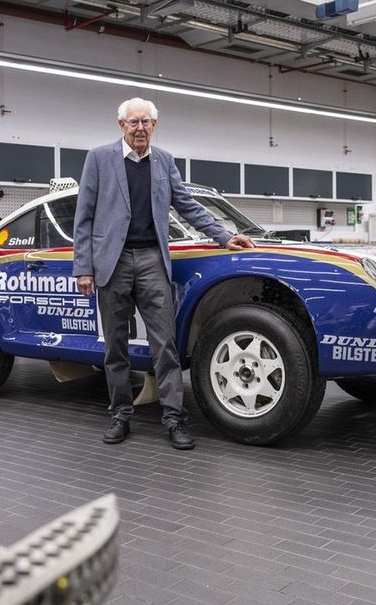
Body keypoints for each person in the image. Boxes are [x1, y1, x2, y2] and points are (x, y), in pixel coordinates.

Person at [72, 97, 255, 450]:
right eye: (133, 122)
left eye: (146, 122)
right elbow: (84, 217)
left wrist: (223, 235)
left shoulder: (165, 161)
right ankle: (120, 414)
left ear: (154, 126)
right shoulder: (98, 159)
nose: (140, 128)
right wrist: (84, 268)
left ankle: (173, 418)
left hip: (152, 260)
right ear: (121, 125)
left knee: (165, 345)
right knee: (115, 346)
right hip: (112, 263)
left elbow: (187, 205)